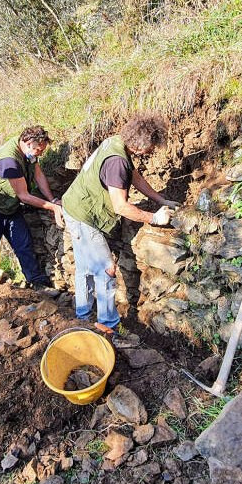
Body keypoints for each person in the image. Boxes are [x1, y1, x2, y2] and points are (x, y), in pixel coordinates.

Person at [61, 114, 179, 336]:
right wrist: (154, 218)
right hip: (83, 215)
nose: (152, 151)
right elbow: (121, 207)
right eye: (151, 147)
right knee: (106, 269)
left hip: (75, 206)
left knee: (85, 268)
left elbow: (135, 177)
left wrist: (160, 200)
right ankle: (109, 327)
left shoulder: (118, 142)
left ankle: (82, 318)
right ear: (138, 143)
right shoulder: (117, 162)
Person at [0, 125, 65, 291]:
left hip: (10, 204)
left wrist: (53, 199)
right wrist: (53, 208)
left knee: (24, 244)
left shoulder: (27, 150)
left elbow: (38, 175)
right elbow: (24, 196)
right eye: (39, 150)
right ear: (28, 143)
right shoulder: (9, 162)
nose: (40, 153)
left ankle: (38, 284)